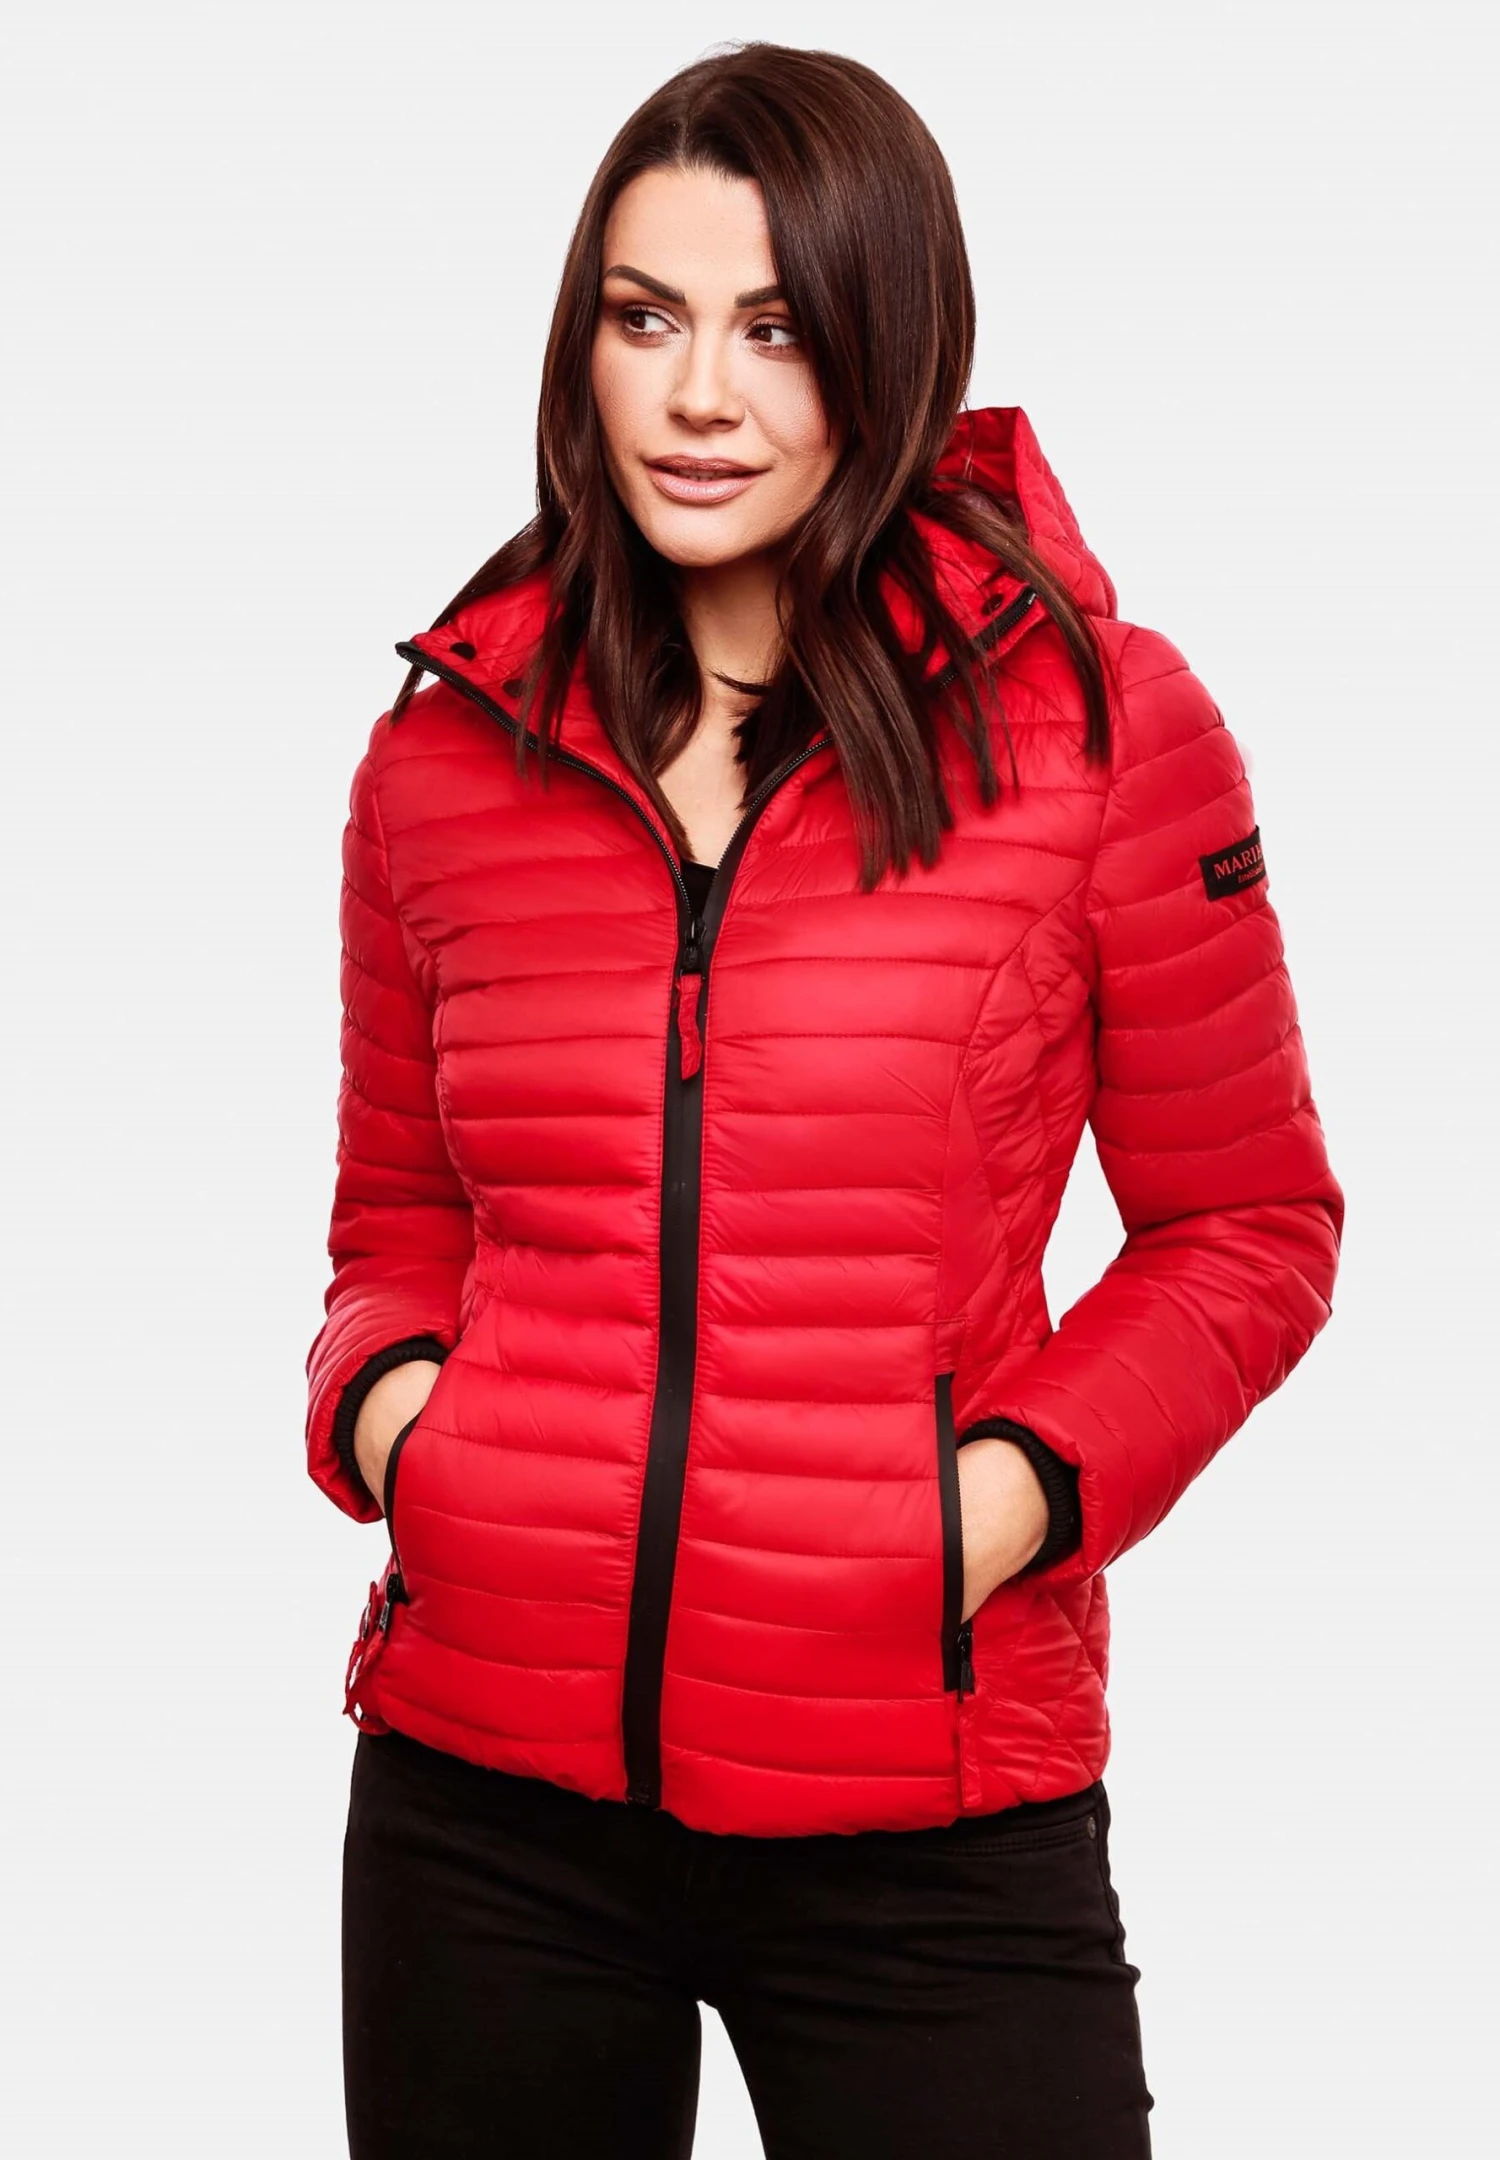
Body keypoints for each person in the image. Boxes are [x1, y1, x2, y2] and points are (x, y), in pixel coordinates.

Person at [306, 41, 1343, 2160]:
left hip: (928, 1808)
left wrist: (1001, 1503)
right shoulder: (446, 752)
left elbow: (1249, 1225)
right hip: (482, 1806)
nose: (701, 396)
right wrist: (401, 1419)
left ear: (894, 340)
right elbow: (397, 1216)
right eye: (647, 318)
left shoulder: (1100, 731)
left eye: (778, 329)